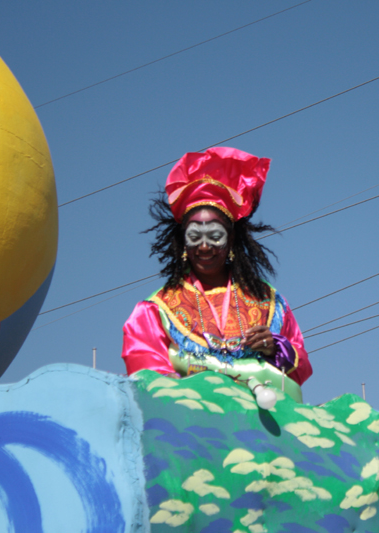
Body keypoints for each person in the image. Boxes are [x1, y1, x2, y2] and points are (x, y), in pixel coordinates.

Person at [121, 147, 312, 401]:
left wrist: (275, 348)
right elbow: (149, 381)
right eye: (194, 236)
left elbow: (300, 369)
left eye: (215, 236)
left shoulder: (268, 302)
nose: (204, 246)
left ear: (231, 240)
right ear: (182, 242)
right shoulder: (156, 311)